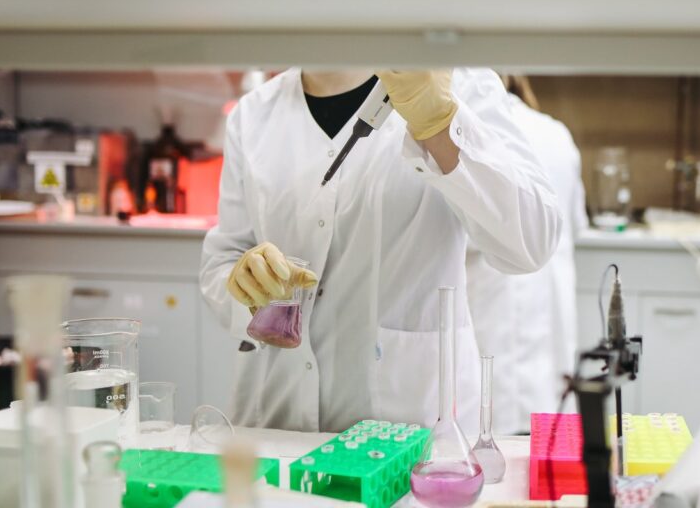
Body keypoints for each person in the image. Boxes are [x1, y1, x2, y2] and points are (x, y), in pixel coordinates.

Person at [200, 69, 562, 433]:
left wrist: (441, 124)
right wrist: (244, 284)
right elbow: (223, 259)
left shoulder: (460, 85)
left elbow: (531, 243)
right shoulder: (253, 114)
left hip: (410, 431)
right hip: (277, 423)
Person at [466, 74, 588, 434]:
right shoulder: (557, 134)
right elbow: (575, 225)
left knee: (494, 461)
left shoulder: (467, 131)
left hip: (488, 337)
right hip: (551, 344)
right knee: (548, 466)